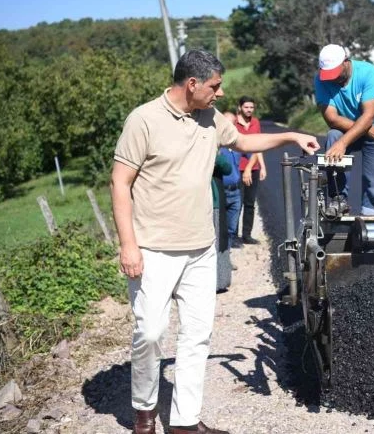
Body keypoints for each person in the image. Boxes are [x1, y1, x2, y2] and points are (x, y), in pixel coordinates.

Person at [110, 49, 318, 434]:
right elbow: (120, 182)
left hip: (201, 248)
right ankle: (144, 412)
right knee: (150, 333)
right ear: (192, 84)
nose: (220, 93)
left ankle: (186, 422)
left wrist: (291, 136)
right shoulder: (143, 120)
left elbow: (241, 144)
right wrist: (128, 245)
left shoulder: (210, 117)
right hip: (153, 249)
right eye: (214, 86)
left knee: (197, 334)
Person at [315, 43, 374, 216]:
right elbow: (331, 118)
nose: (332, 79)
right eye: (328, 75)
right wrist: (363, 131)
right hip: (358, 128)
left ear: (346, 62)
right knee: (333, 137)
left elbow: (369, 116)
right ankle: (338, 200)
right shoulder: (321, 79)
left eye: (335, 73)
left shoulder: (368, 72)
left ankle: (371, 216)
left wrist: (344, 142)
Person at [233, 96, 265, 244]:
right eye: (246, 107)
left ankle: (246, 235)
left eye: (251, 107)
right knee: (236, 203)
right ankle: (232, 234)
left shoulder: (256, 123)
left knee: (250, 203)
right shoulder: (232, 123)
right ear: (240, 107)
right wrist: (244, 169)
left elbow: (258, 146)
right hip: (237, 168)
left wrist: (262, 166)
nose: (249, 110)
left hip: (253, 168)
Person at [220, 112, 248, 250]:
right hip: (220, 192)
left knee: (231, 228)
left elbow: (253, 151)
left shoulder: (237, 144)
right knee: (219, 228)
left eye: (232, 123)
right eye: (226, 123)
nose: (229, 126)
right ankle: (219, 261)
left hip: (235, 191)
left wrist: (248, 169)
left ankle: (227, 258)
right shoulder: (217, 144)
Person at [211, 147, 234, 289]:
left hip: (216, 199)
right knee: (217, 241)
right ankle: (218, 281)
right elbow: (226, 167)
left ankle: (221, 279)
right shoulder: (211, 153)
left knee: (220, 240)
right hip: (213, 202)